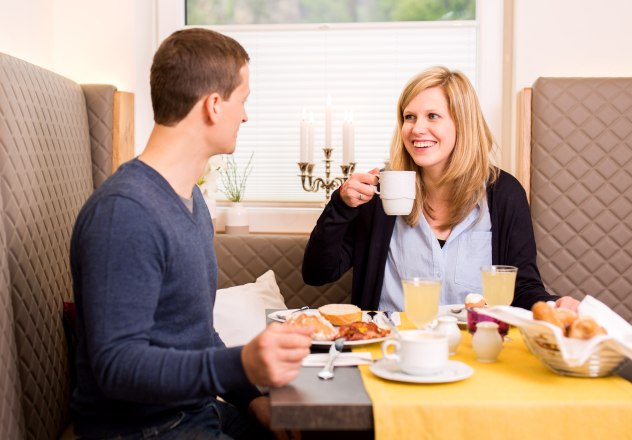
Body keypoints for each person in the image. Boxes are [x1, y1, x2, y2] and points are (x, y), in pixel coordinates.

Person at [70, 28, 312, 439]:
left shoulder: (191, 200)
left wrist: (252, 399)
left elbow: (195, 334)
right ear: (214, 106)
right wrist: (241, 363)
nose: (246, 116)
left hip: (195, 414)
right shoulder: (124, 214)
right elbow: (117, 366)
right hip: (144, 430)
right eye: (243, 101)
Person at [302, 66, 579, 312]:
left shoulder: (503, 193)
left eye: (432, 116)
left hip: (471, 348)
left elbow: (521, 288)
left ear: (463, 124)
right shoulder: (382, 190)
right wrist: (341, 205)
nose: (416, 128)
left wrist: (553, 306)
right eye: (409, 117)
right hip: (389, 348)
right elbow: (317, 273)